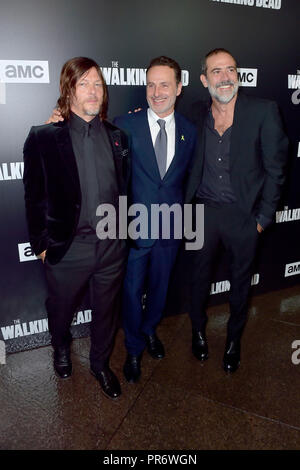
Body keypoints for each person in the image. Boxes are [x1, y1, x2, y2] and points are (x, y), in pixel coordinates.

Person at [23, 57, 130, 399]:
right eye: (83, 83)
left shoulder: (118, 137)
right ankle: (61, 347)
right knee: (61, 308)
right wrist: (42, 244)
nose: (93, 90)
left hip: (112, 246)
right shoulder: (43, 136)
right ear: (68, 90)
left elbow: (125, 189)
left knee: (106, 312)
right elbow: (33, 198)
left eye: (97, 83)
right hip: (68, 248)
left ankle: (99, 363)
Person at [185, 48, 288, 372]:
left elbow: (276, 170)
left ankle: (233, 340)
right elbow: (162, 126)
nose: (226, 77)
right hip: (201, 214)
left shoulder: (263, 111)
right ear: (204, 79)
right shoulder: (195, 113)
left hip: (243, 217)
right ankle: (198, 332)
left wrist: (261, 219)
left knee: (240, 284)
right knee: (197, 281)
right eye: (217, 71)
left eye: (230, 69)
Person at [114, 56, 197, 383]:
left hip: (172, 227)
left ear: (178, 87)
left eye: (164, 84)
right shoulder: (125, 124)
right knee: (132, 290)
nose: (157, 91)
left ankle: (150, 330)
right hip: (134, 228)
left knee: (160, 288)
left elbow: (188, 180)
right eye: (151, 84)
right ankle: (133, 347)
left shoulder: (190, 131)